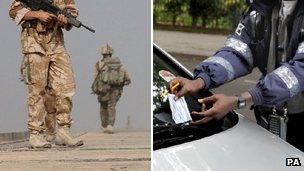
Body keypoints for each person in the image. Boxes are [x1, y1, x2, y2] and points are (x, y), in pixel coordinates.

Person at [170, 0, 304, 152]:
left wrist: (239, 100)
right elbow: (238, 51)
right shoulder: (261, 8)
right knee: (279, 164)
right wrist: (200, 81)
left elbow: (300, 70)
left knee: (295, 165)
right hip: (271, 119)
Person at [9, 0, 83, 148]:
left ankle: (64, 130)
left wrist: (65, 19)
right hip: (34, 43)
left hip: (56, 43)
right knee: (37, 91)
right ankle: (35, 134)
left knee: (66, 87)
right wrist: (37, 14)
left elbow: (72, 12)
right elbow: (13, 12)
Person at [92, 44, 131, 134]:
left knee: (103, 107)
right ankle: (110, 125)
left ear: (102, 53)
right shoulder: (118, 64)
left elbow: (95, 78)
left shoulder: (98, 64)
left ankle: (105, 125)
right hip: (115, 90)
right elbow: (128, 79)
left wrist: (97, 88)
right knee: (111, 107)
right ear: (111, 53)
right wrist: (120, 85)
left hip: (103, 90)